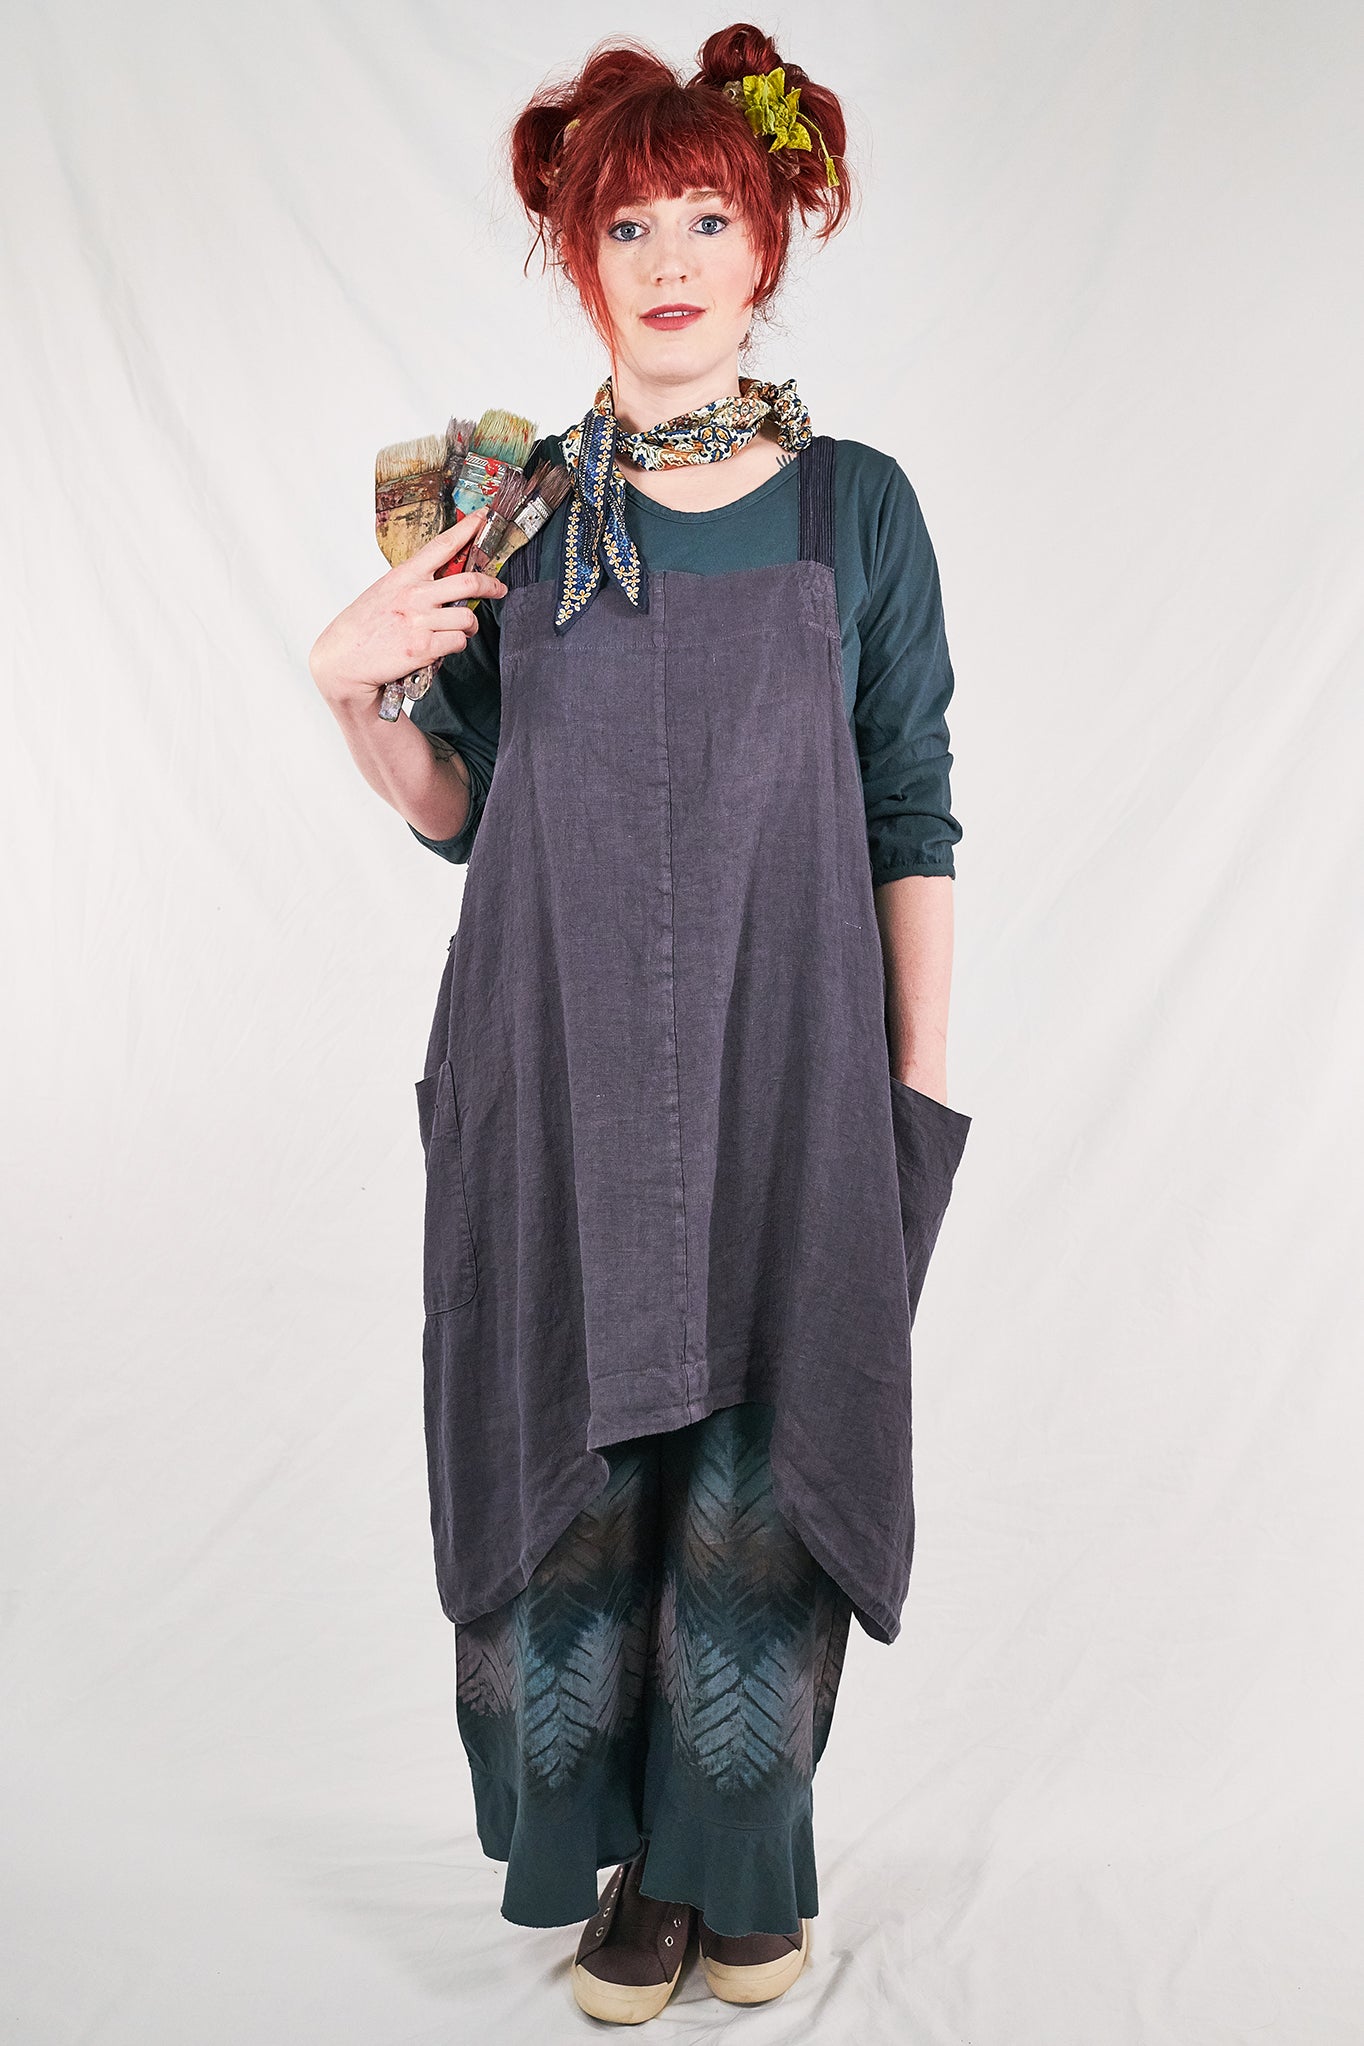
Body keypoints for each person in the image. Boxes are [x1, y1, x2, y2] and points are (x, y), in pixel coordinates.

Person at [310, 21, 973, 2025]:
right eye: (628, 226)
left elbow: (910, 806)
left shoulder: (855, 512)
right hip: (560, 1065)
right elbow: (460, 808)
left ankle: (729, 1863)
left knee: (768, 1456)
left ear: (771, 245)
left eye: (708, 218)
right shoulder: (510, 513)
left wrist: (915, 1085)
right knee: (584, 1452)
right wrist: (349, 692)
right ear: (575, 254)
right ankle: (624, 1869)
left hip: (790, 1070)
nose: (669, 260)